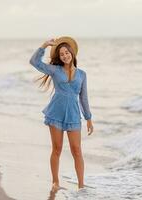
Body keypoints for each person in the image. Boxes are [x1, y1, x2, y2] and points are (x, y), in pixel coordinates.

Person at [29, 36, 94, 192]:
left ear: (72, 53)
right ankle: (55, 182)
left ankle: (81, 186)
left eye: (67, 52)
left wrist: (89, 118)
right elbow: (34, 62)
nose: (65, 56)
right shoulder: (55, 70)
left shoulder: (82, 74)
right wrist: (44, 45)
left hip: (73, 115)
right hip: (56, 113)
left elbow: (83, 97)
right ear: (59, 57)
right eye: (61, 54)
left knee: (76, 150)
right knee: (57, 149)